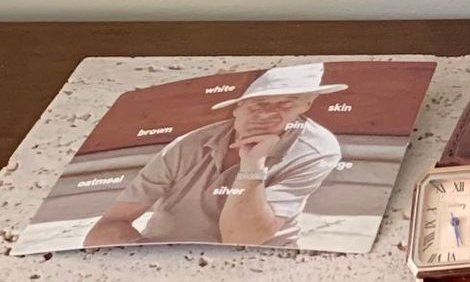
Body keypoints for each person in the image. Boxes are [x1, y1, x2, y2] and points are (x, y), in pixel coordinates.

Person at [83, 63, 347, 249]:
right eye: (259, 104)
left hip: (253, 262)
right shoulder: (187, 146)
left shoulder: (316, 149)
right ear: (237, 107)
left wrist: (252, 164)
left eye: (286, 104)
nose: (268, 114)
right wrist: (144, 255)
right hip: (168, 255)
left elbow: (242, 240)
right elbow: (110, 224)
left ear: (307, 104)